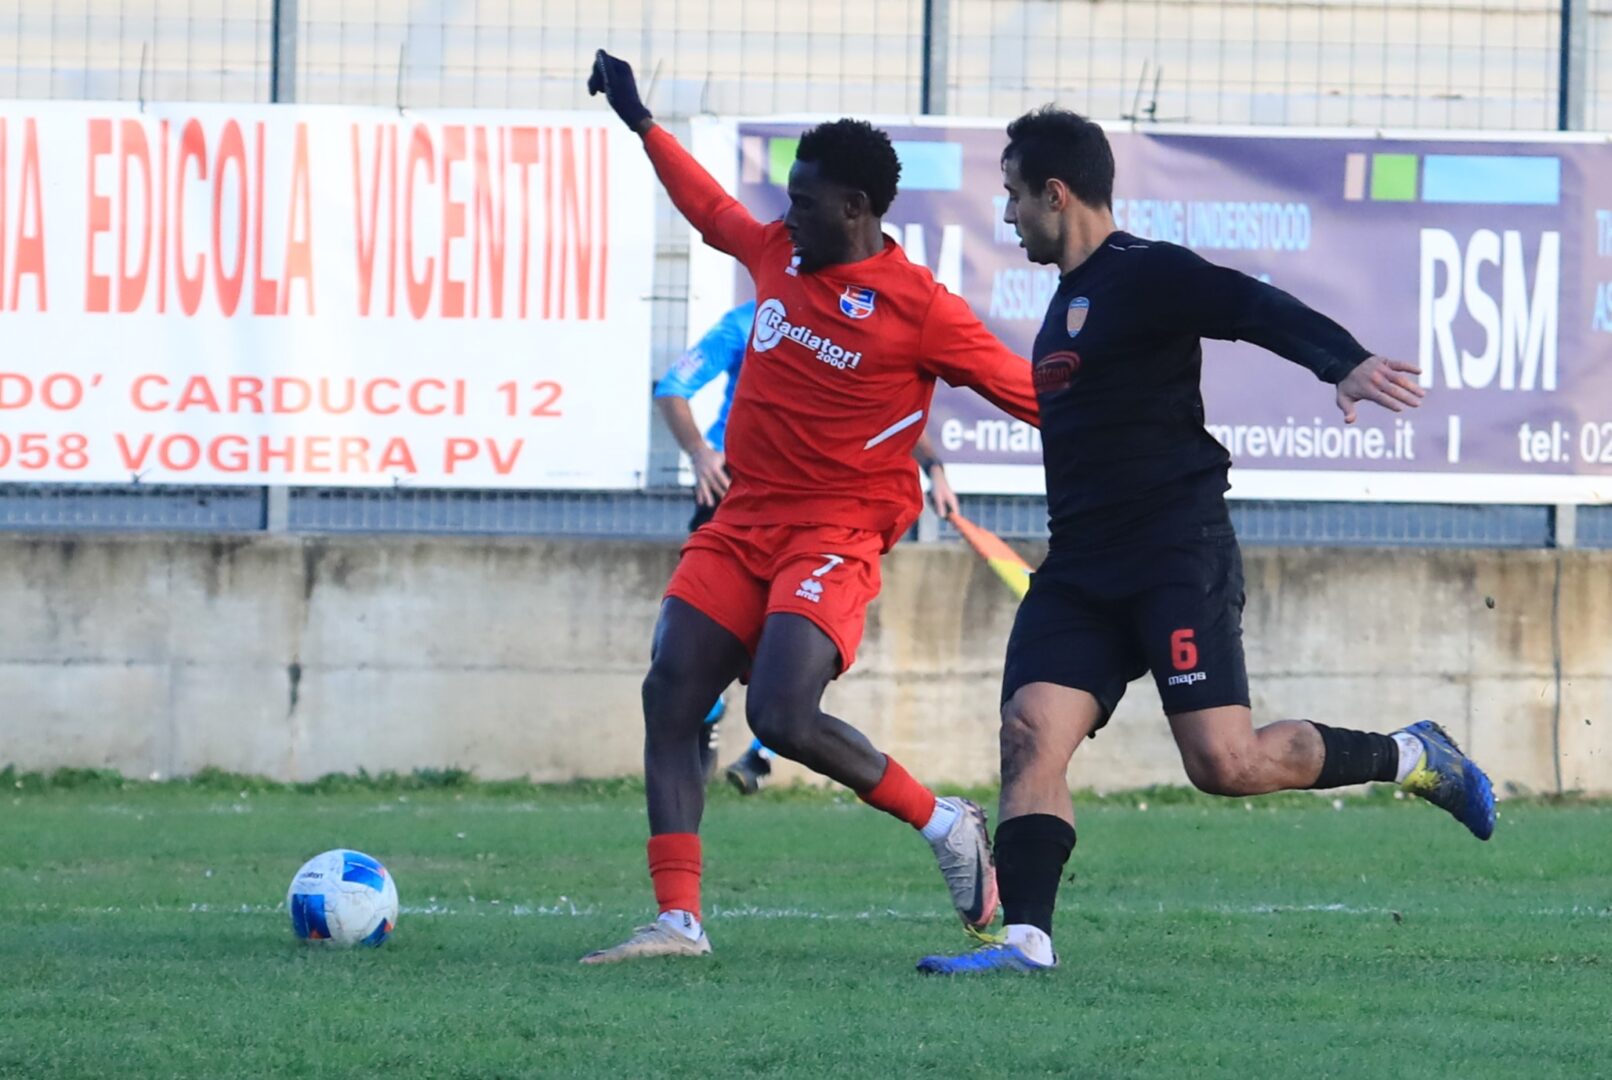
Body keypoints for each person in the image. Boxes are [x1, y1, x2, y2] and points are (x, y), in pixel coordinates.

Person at [917, 107, 1496, 976]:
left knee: (1225, 762)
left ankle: (1414, 754)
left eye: (1014, 195)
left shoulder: (1145, 271)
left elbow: (1247, 304)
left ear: (1056, 193)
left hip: (1172, 553)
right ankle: (1027, 942)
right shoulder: (1066, 302)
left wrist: (1340, 361)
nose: (1007, 214)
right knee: (1030, 732)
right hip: (1079, 569)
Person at [582, 50, 1037, 964]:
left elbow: (1031, 393)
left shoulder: (921, 309)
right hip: (743, 521)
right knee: (671, 691)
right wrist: (643, 123)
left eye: (803, 200)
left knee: (782, 716)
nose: (785, 215)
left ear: (855, 209)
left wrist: (1143, 433)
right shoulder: (778, 253)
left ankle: (946, 824)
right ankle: (679, 920)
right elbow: (711, 210)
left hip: (835, 532)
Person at [655, 300, 964, 793]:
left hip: (821, 511)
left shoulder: (854, 328)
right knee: (698, 644)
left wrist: (936, 469)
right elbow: (673, 387)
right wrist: (699, 452)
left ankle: (761, 753)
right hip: (738, 493)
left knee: (798, 648)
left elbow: (892, 413)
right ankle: (707, 719)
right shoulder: (746, 321)